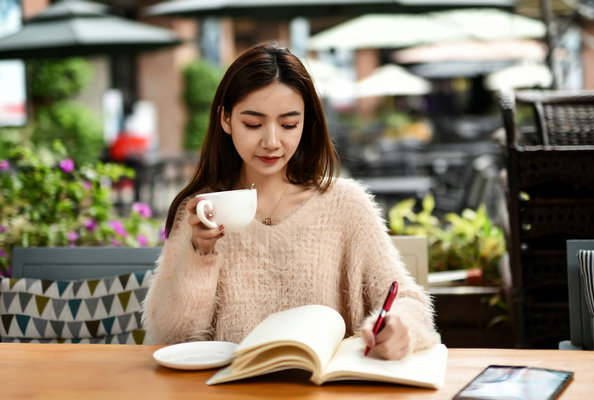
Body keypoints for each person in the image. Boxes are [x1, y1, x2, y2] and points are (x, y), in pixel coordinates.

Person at [142, 43, 439, 360]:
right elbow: (173, 339)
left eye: (288, 124)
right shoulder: (202, 210)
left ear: (306, 123)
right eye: (253, 124)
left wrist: (399, 326)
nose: (271, 141)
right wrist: (200, 253)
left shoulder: (346, 204)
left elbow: (407, 299)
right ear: (225, 119)